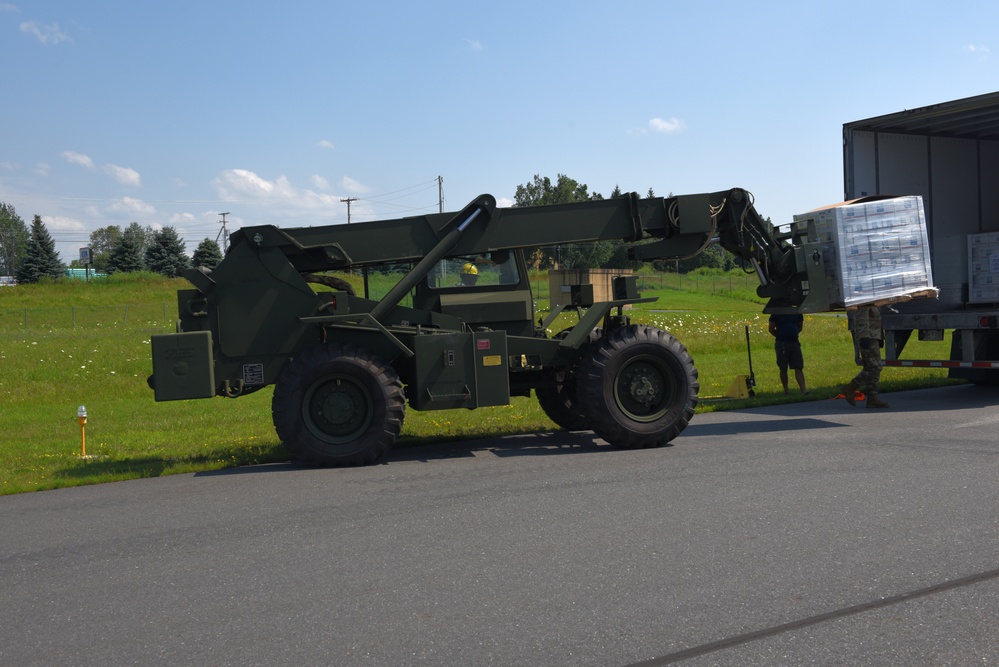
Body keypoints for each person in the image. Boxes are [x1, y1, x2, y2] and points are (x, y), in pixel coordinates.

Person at [841, 304, 890, 408]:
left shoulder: (874, 300)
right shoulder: (865, 300)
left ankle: (872, 397)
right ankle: (851, 387)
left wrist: (880, 336)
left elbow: (876, 318)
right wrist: (864, 336)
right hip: (867, 337)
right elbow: (861, 317)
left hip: (874, 336)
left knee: (870, 367)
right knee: (875, 366)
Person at [768, 312, 808, 394]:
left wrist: (793, 334)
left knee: (798, 367)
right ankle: (786, 390)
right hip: (781, 343)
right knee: (783, 368)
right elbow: (771, 329)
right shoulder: (776, 313)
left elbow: (800, 327)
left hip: (794, 343)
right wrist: (780, 335)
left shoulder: (797, 312)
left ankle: (803, 390)